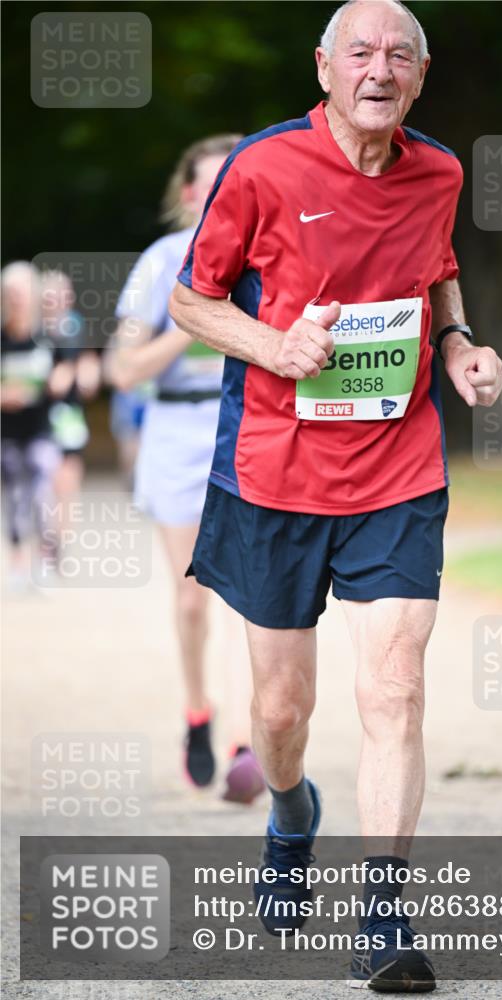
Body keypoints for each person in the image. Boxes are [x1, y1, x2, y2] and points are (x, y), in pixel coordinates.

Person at [169, 0, 502, 990]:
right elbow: (192, 297)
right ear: (324, 67)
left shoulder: (437, 171)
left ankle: (384, 915)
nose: (379, 67)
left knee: (393, 685)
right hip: (275, 472)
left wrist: (458, 346)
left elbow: (437, 272)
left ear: (421, 76)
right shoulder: (265, 166)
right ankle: (288, 810)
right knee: (283, 709)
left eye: (400, 54)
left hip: (399, 467)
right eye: (359, 50)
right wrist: (274, 345)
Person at [108, 135, 265, 804]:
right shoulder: (161, 263)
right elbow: (122, 369)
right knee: (194, 596)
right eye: (209, 183)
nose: (222, 192)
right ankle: (198, 712)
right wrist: (194, 320)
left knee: (250, 596)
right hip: (176, 430)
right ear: (188, 194)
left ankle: (244, 744)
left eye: (235, 179)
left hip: (251, 426)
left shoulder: (268, 254)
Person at [1, 263, 72, 589]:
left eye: (22, 292)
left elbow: (65, 371)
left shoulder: (48, 335)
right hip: (7, 431)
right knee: (15, 496)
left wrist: (54, 383)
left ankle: (45, 558)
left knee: (43, 492)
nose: (17, 299)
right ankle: (17, 562)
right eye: (11, 293)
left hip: (41, 428)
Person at [41, 270, 101, 509]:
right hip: (39, 412)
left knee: (69, 469)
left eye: (64, 295)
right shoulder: (33, 328)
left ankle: (62, 534)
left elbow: (88, 361)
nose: (60, 301)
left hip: (68, 410)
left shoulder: (76, 325)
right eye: (53, 296)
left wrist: (87, 375)